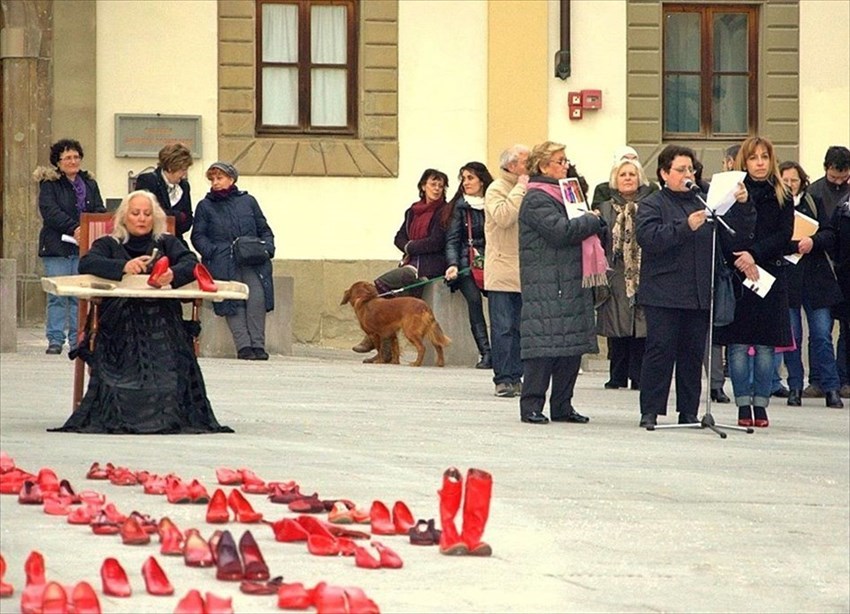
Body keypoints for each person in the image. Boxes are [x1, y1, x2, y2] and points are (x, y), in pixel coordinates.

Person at [49, 191, 232, 434]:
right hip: (121, 319)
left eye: (147, 214)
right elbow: (88, 263)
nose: (141, 218)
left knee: (171, 346)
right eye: (135, 213)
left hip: (162, 320)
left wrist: (172, 274)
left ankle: (167, 412)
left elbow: (190, 261)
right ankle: (123, 408)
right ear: (124, 217)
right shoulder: (109, 244)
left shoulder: (166, 242)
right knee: (123, 343)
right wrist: (123, 267)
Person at [636, 145, 749, 428]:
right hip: (663, 293)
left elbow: (733, 234)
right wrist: (684, 226)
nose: (688, 175)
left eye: (691, 169)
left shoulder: (705, 200)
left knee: (692, 353)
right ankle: (650, 410)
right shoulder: (653, 203)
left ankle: (688, 411)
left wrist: (743, 206)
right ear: (664, 173)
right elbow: (649, 239)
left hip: (699, 291)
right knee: (660, 351)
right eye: (681, 170)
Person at [517, 141, 605, 425]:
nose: (566, 165)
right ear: (543, 166)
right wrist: (592, 220)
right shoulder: (536, 198)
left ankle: (563, 405)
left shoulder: (567, 192)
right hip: (547, 283)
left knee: (571, 348)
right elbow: (560, 231)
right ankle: (531, 405)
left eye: (566, 160)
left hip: (571, 280)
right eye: (560, 161)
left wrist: (590, 221)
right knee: (544, 348)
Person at [714, 136, 794, 428]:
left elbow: (784, 235)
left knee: (765, 346)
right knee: (737, 346)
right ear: (743, 161)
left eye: (764, 157)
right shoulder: (732, 191)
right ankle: (742, 405)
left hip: (769, 273)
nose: (759, 163)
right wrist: (742, 258)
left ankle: (761, 404)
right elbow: (723, 231)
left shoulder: (781, 191)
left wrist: (755, 255)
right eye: (753, 158)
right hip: (738, 273)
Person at [352, 169, 449, 363]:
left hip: (429, 265)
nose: (437, 189)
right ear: (423, 186)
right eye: (433, 184)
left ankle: (377, 337)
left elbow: (437, 242)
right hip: (411, 262)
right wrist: (407, 246)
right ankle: (386, 348)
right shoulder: (412, 211)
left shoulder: (444, 211)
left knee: (380, 284)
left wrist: (411, 247)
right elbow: (398, 237)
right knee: (391, 302)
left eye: (441, 186)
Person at [192, 162, 275, 361]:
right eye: (212, 179)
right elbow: (198, 235)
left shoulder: (248, 201)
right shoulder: (205, 205)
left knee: (257, 298)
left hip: (251, 258)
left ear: (231, 179)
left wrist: (267, 247)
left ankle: (258, 344)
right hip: (223, 260)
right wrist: (212, 251)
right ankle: (244, 346)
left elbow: (263, 228)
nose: (215, 183)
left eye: (219, 178)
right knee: (232, 301)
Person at [778, 161, 844, 408]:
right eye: (785, 180)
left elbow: (829, 234)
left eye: (794, 180)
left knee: (821, 336)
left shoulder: (814, 201)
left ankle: (831, 387)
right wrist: (792, 245)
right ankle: (795, 386)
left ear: (802, 181)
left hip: (816, 280)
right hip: (787, 280)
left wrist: (813, 241)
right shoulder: (776, 205)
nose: (790, 185)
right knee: (791, 337)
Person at [35, 139, 105, 355]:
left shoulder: (90, 183)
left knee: (80, 296)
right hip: (57, 248)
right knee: (57, 296)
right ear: (58, 162)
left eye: (76, 157)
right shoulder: (50, 184)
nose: (72, 161)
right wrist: (76, 227)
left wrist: (93, 226)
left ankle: (78, 339)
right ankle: (55, 339)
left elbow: (99, 208)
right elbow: (50, 212)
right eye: (67, 158)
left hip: (83, 248)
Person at [594, 158, 654, 391]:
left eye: (632, 174)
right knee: (616, 325)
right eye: (623, 175)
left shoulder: (650, 205)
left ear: (639, 178)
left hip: (643, 270)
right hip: (615, 271)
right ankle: (617, 375)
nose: (628, 178)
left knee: (641, 325)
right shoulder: (606, 208)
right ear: (615, 181)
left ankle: (639, 376)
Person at [484, 145, 529, 398]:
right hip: (502, 270)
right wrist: (521, 188)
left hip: (524, 269)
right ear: (512, 166)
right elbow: (503, 217)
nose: (530, 166)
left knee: (521, 328)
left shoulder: (527, 187)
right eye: (525, 162)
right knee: (503, 327)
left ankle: (517, 375)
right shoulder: (497, 188)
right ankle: (503, 378)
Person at [807, 146, 850, 398]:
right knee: (820, 328)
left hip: (847, 269)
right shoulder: (814, 192)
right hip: (822, 267)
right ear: (825, 169)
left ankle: (845, 378)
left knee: (846, 327)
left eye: (844, 177)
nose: (839, 182)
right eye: (834, 177)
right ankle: (818, 379)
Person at [443, 162, 494, 369]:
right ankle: (486, 352)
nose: (466, 183)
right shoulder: (460, 207)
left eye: (470, 178)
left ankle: (503, 351)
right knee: (474, 302)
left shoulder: (493, 202)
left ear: (482, 180)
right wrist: (453, 264)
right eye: (463, 178)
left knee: (500, 305)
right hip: (467, 263)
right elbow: (453, 240)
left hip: (492, 261)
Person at [133, 143, 195, 244]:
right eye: (182, 170)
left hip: (175, 241)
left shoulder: (184, 186)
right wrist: (177, 216)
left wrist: (173, 217)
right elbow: (148, 213)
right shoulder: (148, 180)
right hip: (150, 241)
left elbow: (187, 221)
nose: (184, 175)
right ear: (171, 168)